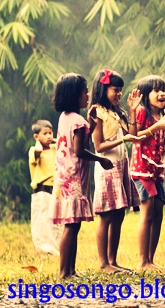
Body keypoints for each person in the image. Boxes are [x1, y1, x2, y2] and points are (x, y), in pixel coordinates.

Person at [51, 73, 113, 279]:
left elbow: (79, 139)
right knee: (71, 227)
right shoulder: (76, 120)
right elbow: (79, 151)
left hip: (64, 180)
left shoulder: (66, 118)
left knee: (73, 226)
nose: (87, 95)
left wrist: (91, 124)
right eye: (84, 92)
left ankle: (71, 270)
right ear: (74, 95)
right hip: (74, 181)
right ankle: (64, 272)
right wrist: (101, 159)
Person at [88, 69, 141, 273]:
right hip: (107, 167)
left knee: (119, 214)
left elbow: (133, 136)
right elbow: (99, 146)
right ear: (103, 88)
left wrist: (133, 111)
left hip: (121, 166)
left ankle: (113, 261)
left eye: (120, 90)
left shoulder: (118, 112)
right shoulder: (97, 112)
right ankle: (103, 263)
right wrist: (122, 140)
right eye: (115, 90)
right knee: (107, 216)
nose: (119, 94)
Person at [128, 75, 165, 270]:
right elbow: (135, 137)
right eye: (156, 90)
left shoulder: (163, 115)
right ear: (145, 95)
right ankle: (142, 261)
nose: (162, 94)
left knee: (158, 214)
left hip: (157, 170)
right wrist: (157, 126)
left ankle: (150, 259)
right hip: (142, 169)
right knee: (147, 213)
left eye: (163, 90)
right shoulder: (142, 113)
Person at [29, 120, 62, 255]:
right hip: (42, 190)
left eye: (50, 133)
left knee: (57, 221)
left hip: (56, 188)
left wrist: (53, 140)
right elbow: (37, 151)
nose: (49, 136)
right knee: (42, 221)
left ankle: (57, 248)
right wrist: (38, 141)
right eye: (45, 134)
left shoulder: (55, 149)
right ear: (36, 136)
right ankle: (44, 249)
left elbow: (63, 143)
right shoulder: (34, 150)